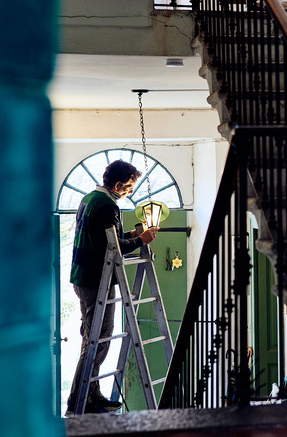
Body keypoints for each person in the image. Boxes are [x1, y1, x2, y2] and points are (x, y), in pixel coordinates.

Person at [66, 160, 159, 415]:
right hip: (97, 279)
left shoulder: (90, 198)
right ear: (118, 184)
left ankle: (90, 395)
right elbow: (112, 249)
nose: (129, 192)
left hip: (83, 276)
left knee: (93, 338)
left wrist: (130, 234)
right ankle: (81, 400)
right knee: (98, 340)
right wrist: (141, 240)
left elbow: (103, 237)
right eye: (128, 187)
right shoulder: (108, 205)